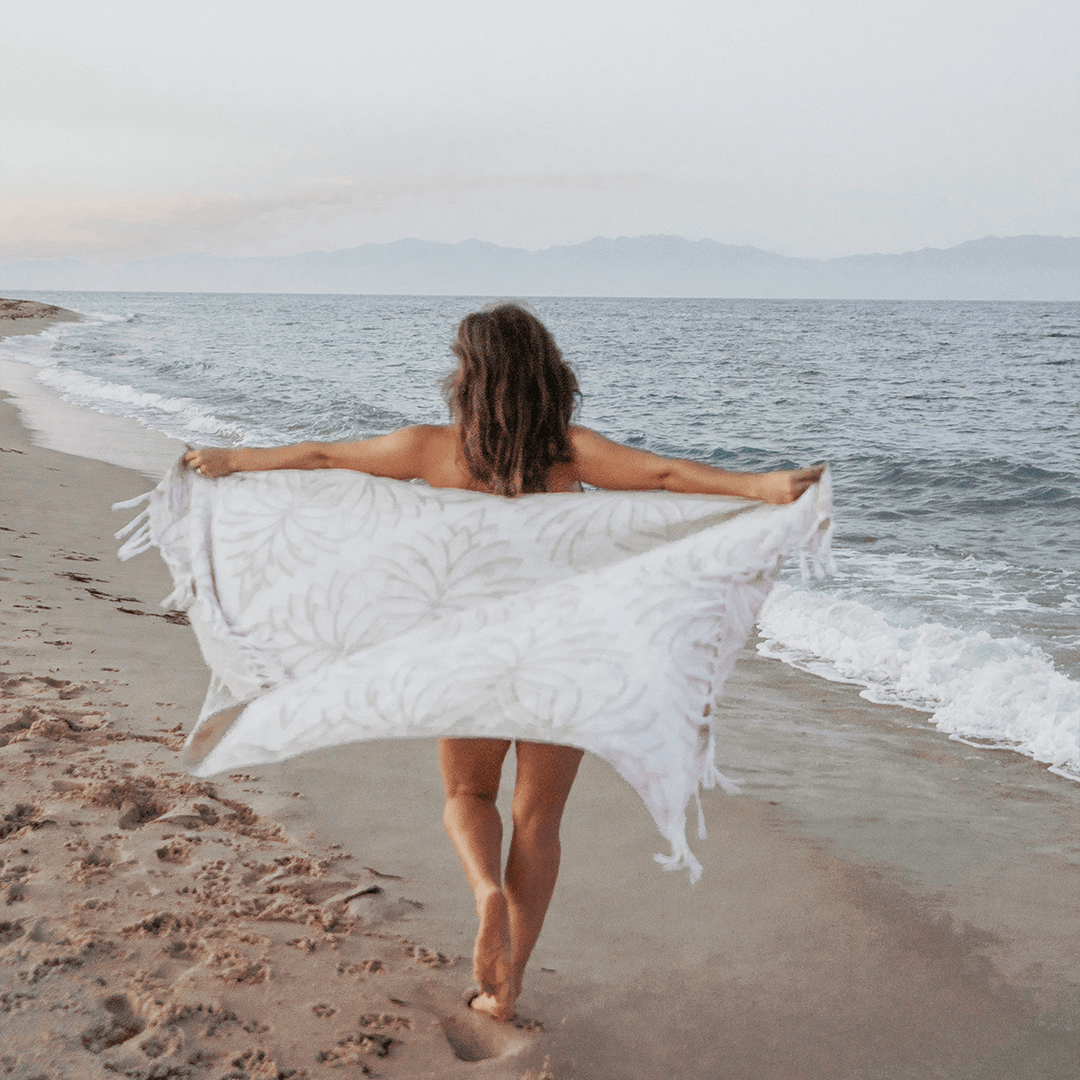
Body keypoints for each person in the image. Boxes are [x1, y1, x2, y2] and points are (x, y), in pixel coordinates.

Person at [182, 303, 823, 1021]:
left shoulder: (432, 449)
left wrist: (233, 460)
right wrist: (760, 487)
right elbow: (668, 477)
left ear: (470, 376)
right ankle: (507, 980)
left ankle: (485, 891)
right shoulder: (571, 451)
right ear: (547, 372)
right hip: (563, 658)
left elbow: (325, 458)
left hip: (467, 654)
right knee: (540, 819)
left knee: (468, 798)